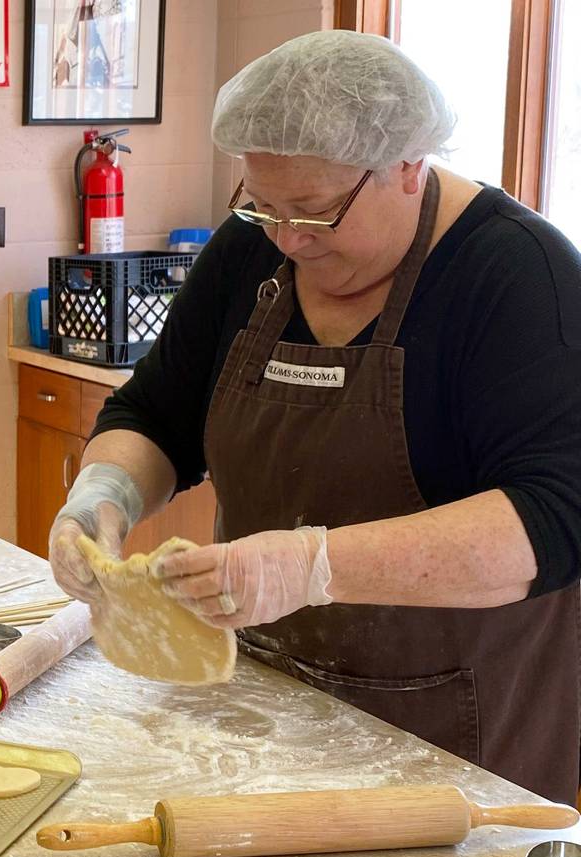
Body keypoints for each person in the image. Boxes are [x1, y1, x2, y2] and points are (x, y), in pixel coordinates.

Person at [49, 31, 581, 805]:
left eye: (318, 212)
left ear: (408, 166)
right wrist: (101, 498)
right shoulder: (249, 254)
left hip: (458, 739)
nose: (289, 239)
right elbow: (157, 412)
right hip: (269, 703)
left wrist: (311, 567)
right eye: (263, 206)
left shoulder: (521, 279)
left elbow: (556, 519)